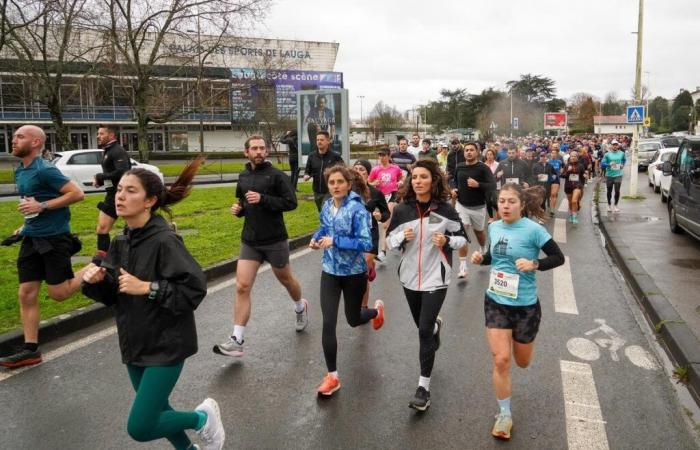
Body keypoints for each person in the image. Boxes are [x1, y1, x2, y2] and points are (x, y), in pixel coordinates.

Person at [80, 158, 226, 450]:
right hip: (134, 342)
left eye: (130, 191)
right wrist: (96, 281)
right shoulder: (122, 241)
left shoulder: (164, 241)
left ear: (150, 200)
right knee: (159, 411)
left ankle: (201, 418)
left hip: (167, 344)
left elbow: (194, 290)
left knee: (141, 426)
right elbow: (114, 295)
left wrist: (148, 288)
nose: (120, 196)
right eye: (119, 189)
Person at [470, 183, 564, 440]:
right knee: (501, 360)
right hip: (496, 302)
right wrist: (482, 258)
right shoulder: (494, 226)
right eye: (502, 201)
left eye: (511, 201)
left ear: (521, 204)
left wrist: (535, 264)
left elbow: (558, 258)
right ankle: (504, 415)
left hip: (525, 306)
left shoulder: (535, 230)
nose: (506, 206)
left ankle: (520, 346)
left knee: (522, 362)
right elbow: (493, 256)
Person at [0, 125, 87, 368]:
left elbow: (78, 194)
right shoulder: (21, 171)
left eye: (20, 137)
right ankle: (31, 349)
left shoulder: (45, 170)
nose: (14, 140)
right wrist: (24, 226)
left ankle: (97, 266)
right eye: (14, 136)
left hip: (54, 240)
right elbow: (31, 204)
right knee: (26, 292)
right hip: (32, 239)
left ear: (36, 142)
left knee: (58, 294)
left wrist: (43, 207)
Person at [214, 135, 308, 358]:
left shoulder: (276, 175)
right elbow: (243, 201)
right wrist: (239, 210)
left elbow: (291, 202)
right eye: (254, 148)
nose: (258, 151)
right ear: (246, 152)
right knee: (242, 286)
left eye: (262, 148)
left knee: (286, 280)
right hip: (250, 240)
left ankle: (300, 306)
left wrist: (264, 199)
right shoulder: (243, 175)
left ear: (266, 152)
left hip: (274, 239)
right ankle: (237, 339)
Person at [386, 159, 467, 412]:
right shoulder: (402, 210)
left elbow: (462, 238)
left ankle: (423, 388)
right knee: (424, 327)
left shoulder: (445, 209)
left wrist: (447, 240)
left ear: (433, 180)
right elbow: (389, 242)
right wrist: (400, 237)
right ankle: (434, 327)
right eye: (415, 177)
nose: (418, 181)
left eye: (423, 177)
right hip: (409, 278)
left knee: (422, 331)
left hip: (436, 278)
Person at [310, 165, 385, 397]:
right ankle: (332, 376)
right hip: (330, 271)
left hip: (353, 273)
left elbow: (365, 243)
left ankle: (375, 312)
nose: (335, 186)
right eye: (331, 182)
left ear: (348, 184)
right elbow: (324, 227)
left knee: (353, 319)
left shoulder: (358, 209)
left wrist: (336, 241)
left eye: (339, 182)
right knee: (328, 321)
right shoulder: (326, 205)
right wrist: (316, 239)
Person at [451, 142, 495, 278]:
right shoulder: (459, 167)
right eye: (466, 150)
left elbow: (492, 186)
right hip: (462, 205)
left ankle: (483, 248)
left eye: (471, 150)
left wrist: (478, 185)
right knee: (462, 234)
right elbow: (455, 181)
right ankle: (463, 266)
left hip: (478, 207)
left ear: (477, 152)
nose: (468, 152)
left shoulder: (483, 168)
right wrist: (454, 189)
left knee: (479, 233)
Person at [352, 160, 390, 308]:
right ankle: (370, 266)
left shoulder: (375, 193)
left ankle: (363, 307)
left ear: (368, 173)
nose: (357, 172)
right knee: (354, 274)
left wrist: (381, 217)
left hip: (370, 236)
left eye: (361, 169)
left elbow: (386, 213)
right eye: (355, 169)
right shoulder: (347, 192)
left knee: (362, 273)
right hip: (352, 237)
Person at [94, 124, 131, 254]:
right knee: (102, 229)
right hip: (112, 194)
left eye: (101, 134)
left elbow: (123, 172)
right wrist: (101, 180)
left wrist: (100, 176)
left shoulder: (117, 151)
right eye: (98, 134)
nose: (98, 136)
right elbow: (113, 173)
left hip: (122, 195)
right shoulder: (108, 150)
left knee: (134, 228)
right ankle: (104, 263)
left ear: (111, 135)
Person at [368, 147, 405, 261]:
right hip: (380, 197)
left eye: (383, 155)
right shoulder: (375, 170)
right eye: (379, 155)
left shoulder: (395, 168)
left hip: (392, 195)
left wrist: (401, 182)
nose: (381, 157)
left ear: (389, 156)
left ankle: (382, 252)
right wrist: (374, 183)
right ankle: (396, 236)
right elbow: (368, 182)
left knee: (385, 224)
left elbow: (402, 176)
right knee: (389, 222)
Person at [303, 131, 344, 212]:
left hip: (330, 190)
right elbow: (308, 170)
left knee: (326, 210)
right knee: (321, 213)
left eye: (322, 140)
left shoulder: (335, 156)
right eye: (317, 140)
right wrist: (306, 175)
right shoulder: (312, 156)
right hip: (317, 190)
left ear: (328, 141)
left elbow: (344, 171)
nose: (319, 142)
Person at [561, 151, 587, 224]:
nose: (573, 157)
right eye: (572, 156)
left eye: (575, 156)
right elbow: (562, 175)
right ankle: (572, 214)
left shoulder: (580, 166)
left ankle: (575, 216)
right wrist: (568, 171)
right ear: (570, 157)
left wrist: (585, 177)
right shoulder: (566, 165)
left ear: (577, 157)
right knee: (570, 202)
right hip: (568, 186)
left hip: (577, 185)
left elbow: (583, 175)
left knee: (574, 201)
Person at [601, 139, 626, 212]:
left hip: (618, 174)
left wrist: (622, 165)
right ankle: (609, 205)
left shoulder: (622, 153)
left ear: (618, 146)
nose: (615, 146)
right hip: (609, 175)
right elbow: (602, 164)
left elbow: (624, 160)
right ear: (611, 146)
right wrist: (609, 164)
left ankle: (615, 205)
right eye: (613, 145)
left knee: (617, 191)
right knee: (609, 191)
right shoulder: (607, 154)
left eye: (616, 145)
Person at [532, 151, 556, 216]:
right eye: (541, 156)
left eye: (544, 156)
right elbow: (532, 175)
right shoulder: (535, 165)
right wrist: (537, 176)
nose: (543, 158)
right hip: (538, 186)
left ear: (546, 158)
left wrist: (552, 179)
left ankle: (542, 213)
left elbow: (554, 174)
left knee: (544, 200)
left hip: (547, 186)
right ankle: (540, 214)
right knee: (540, 200)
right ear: (540, 157)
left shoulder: (550, 166)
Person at [547, 144, 564, 216]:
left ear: (557, 154)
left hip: (556, 179)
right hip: (548, 180)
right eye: (552, 153)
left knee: (553, 194)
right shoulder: (548, 161)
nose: (553, 154)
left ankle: (552, 210)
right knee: (549, 195)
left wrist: (561, 171)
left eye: (555, 153)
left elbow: (563, 167)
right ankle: (549, 204)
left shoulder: (559, 162)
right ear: (551, 154)